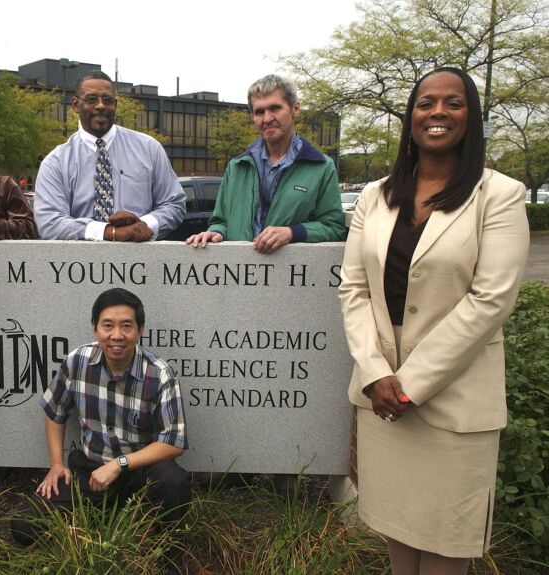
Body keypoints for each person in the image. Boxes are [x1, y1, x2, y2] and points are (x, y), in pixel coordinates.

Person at [338, 68, 529, 573]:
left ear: (472, 117)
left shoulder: (500, 195)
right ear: (411, 116)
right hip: (381, 393)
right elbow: (353, 289)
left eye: (453, 103)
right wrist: (377, 372)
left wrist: (409, 384)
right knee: (397, 534)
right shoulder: (376, 197)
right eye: (426, 103)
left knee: (447, 546)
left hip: (453, 396)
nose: (438, 113)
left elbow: (491, 300)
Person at [11, 289, 190, 554]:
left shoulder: (159, 374)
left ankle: (168, 555)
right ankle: (92, 525)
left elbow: (173, 443)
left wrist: (120, 464)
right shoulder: (77, 361)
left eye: (126, 326)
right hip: (89, 470)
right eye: (108, 325)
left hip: (138, 472)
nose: (117, 335)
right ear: (95, 329)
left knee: (173, 480)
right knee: (24, 526)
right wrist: (56, 464)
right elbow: (54, 410)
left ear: (140, 330)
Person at [186, 74, 345, 253]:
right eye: (259, 112)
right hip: (238, 275)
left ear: (295, 109)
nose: (267, 118)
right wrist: (214, 232)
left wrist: (292, 232)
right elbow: (220, 221)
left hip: (287, 276)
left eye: (275, 108)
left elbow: (334, 228)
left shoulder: (322, 167)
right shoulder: (236, 167)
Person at [34, 71, 185, 241]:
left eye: (107, 100)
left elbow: (174, 204)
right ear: (76, 105)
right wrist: (109, 233)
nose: (100, 106)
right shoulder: (55, 163)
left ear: (116, 105)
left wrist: (144, 225)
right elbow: (49, 222)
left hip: (142, 261)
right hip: (79, 264)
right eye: (91, 100)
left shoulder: (149, 149)